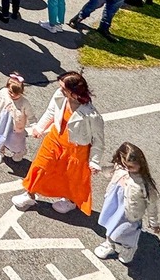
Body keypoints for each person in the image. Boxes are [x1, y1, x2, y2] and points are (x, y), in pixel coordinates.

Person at [13, 71, 105, 216]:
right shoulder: (60, 95)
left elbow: (98, 140)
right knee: (40, 166)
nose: (60, 90)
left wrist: (94, 162)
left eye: (64, 88)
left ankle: (69, 201)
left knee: (70, 176)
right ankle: (29, 195)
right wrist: (40, 128)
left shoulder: (91, 115)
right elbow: (51, 112)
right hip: (55, 139)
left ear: (73, 92)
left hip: (76, 149)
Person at [95, 142, 160, 265]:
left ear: (140, 165)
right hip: (114, 204)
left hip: (129, 213)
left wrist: (154, 223)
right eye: (124, 164)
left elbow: (152, 205)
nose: (126, 169)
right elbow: (111, 170)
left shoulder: (144, 185)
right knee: (111, 224)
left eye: (131, 167)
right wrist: (99, 169)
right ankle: (109, 244)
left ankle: (128, 248)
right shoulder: (120, 168)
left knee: (127, 232)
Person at [0, 73, 34, 164]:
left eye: (16, 94)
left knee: (16, 141)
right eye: (10, 92)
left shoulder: (24, 102)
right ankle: (0, 151)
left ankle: (19, 152)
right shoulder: (3, 92)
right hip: (3, 121)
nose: (13, 95)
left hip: (16, 126)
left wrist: (34, 125)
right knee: (0, 136)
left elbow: (30, 115)